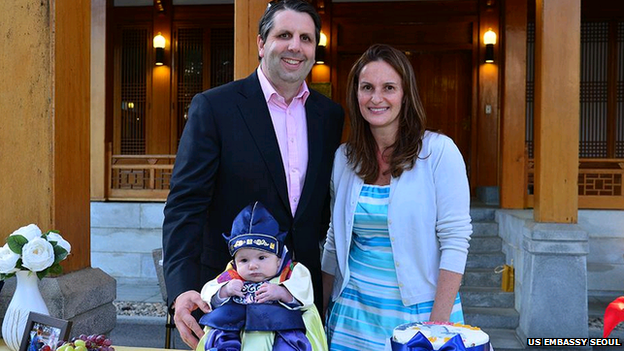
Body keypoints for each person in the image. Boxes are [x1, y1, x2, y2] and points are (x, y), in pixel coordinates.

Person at [162, 0, 344, 348]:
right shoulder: (215, 107)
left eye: (306, 38)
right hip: (228, 304)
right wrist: (182, 289)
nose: (295, 46)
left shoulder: (329, 115)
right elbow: (185, 205)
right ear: (262, 43)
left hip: (297, 303)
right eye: (284, 35)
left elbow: (316, 213)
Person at [321, 44, 472, 351]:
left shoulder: (439, 152)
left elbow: (455, 240)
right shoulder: (344, 159)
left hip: (422, 315)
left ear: (405, 94)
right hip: (352, 316)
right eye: (367, 88)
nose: (376, 98)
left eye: (388, 87)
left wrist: (436, 328)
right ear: (356, 95)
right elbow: (334, 240)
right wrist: (319, 310)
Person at [196, 201, 326, 351]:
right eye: (244, 260)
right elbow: (208, 292)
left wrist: (282, 292)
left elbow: (305, 295)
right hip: (235, 328)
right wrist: (225, 290)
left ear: (278, 260)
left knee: (291, 342)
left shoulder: (290, 272)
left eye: (262, 258)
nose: (253, 265)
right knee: (221, 337)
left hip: (281, 328)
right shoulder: (231, 275)